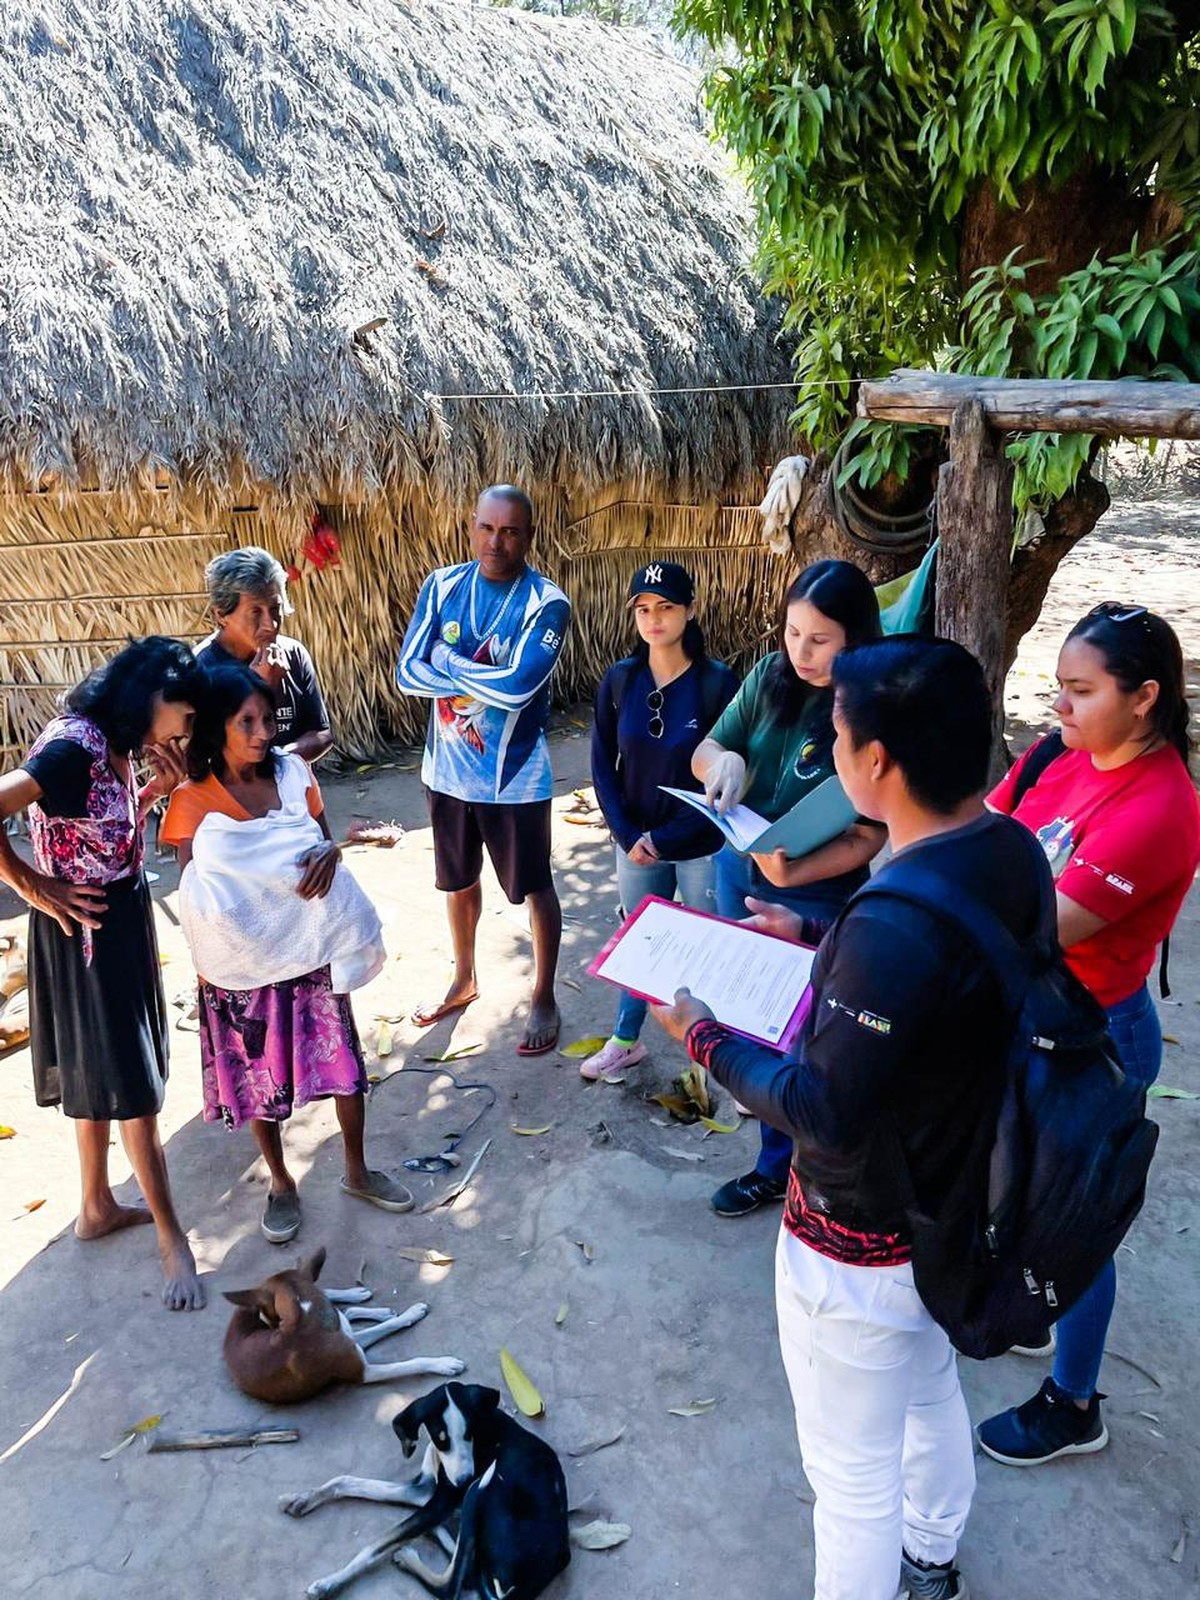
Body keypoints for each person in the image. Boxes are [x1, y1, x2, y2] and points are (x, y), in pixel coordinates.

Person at [653, 636, 1048, 1600]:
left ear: (878, 762)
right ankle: (934, 1555)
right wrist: (818, 932)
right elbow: (951, 966)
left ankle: (899, 1563)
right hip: (959, 1191)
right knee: (925, 1387)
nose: (832, 751)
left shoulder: (890, 920)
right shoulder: (1007, 849)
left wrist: (702, 1037)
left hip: (860, 1235)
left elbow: (822, 1108)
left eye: (837, 734)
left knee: (850, 1478)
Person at [977, 602, 1200, 1466]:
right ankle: (1036, 1313)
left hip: (1092, 1042)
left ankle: (1074, 1403)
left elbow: (1042, 926)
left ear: (1143, 699)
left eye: (1080, 691)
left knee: (1075, 1230)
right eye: (1059, 687)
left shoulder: (1160, 807)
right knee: (1020, 1198)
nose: (1056, 707)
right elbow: (986, 832)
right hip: (1027, 1020)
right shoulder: (1055, 754)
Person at [161, 665, 410, 1245]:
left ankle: (356, 1169)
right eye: (244, 721)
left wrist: (331, 854)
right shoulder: (191, 801)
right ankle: (280, 1182)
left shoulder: (295, 774)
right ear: (215, 728)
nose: (259, 732)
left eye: (267, 719)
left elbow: (321, 840)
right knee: (260, 1078)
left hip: (310, 949)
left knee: (346, 1069)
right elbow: (199, 893)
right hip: (242, 966)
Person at [0, 638, 206, 1310]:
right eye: (184, 712)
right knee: (136, 1089)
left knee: (101, 1068)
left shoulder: (112, 744)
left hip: (113, 918)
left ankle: (95, 1205)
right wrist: (33, 887)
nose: (187, 727)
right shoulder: (72, 748)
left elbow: (101, 825)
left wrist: (156, 789)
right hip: (84, 930)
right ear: (147, 699)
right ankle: (174, 1238)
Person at [690, 559, 885, 1215]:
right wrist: (727, 761)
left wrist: (793, 872)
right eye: (793, 632)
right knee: (750, 1018)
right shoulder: (770, 675)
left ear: (857, 639)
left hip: (812, 894)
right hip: (737, 870)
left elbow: (869, 834)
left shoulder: (872, 707)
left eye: (820, 639)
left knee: (809, 1039)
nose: (801, 652)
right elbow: (708, 750)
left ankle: (800, 1172)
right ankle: (776, 1158)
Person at [396, 485, 571, 1055]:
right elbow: (406, 674)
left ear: (529, 535)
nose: (497, 542)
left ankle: (543, 993)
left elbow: (520, 690)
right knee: (458, 881)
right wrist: (467, 674)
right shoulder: (443, 586)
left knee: (534, 887)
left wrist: (443, 660)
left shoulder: (547, 604)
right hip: (445, 772)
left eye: (511, 531)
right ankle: (464, 976)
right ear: (472, 526)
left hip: (514, 778)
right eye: (488, 528)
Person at [582, 561, 738, 1082]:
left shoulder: (717, 683)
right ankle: (626, 1041)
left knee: (711, 943)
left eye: (666, 607)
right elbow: (603, 763)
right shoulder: (621, 680)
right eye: (644, 609)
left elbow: (727, 778)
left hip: (699, 841)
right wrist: (628, 834)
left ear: (689, 611)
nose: (654, 619)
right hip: (636, 843)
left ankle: (726, 1060)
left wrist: (665, 837)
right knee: (639, 941)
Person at [197, 546, 333, 764]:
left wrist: (280, 762)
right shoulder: (201, 672)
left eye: (275, 608)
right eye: (255, 612)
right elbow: (207, 760)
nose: (271, 624)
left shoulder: (294, 655)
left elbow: (321, 734)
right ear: (222, 615)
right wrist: (262, 690)